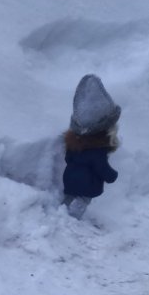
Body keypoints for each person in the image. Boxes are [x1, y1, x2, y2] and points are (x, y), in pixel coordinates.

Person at [62, 74, 121, 220]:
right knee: (82, 201)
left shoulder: (73, 143)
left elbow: (68, 158)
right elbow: (101, 168)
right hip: (86, 184)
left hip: (69, 178)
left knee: (70, 197)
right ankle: (72, 218)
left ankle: (62, 209)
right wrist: (112, 176)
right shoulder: (97, 151)